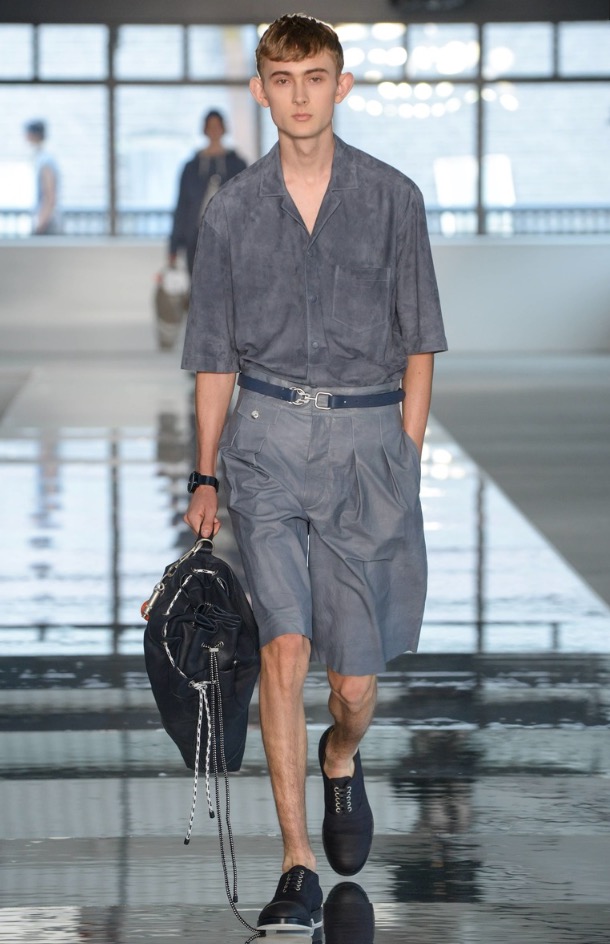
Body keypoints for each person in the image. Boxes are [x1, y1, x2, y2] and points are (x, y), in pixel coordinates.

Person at [181, 13, 447, 934]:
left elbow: (421, 341)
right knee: (284, 649)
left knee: (353, 685)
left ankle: (340, 755)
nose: (300, 95)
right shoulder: (230, 212)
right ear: (261, 90)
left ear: (342, 85)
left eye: (316, 77)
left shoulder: (394, 199)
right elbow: (213, 354)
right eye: (283, 79)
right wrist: (204, 475)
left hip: (369, 447)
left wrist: (405, 457)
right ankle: (296, 859)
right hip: (264, 443)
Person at [169, 109, 247, 275]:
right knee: (198, 284)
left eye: (217, 126)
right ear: (204, 130)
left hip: (230, 239)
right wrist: (174, 246)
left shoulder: (237, 165)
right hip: (195, 240)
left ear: (223, 129)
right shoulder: (191, 168)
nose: (214, 131)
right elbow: (182, 206)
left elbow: (247, 204)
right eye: (210, 127)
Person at [24, 120, 61, 235]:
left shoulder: (45, 161)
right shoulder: (39, 158)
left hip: (48, 224)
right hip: (44, 221)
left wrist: (40, 224)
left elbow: (50, 196)